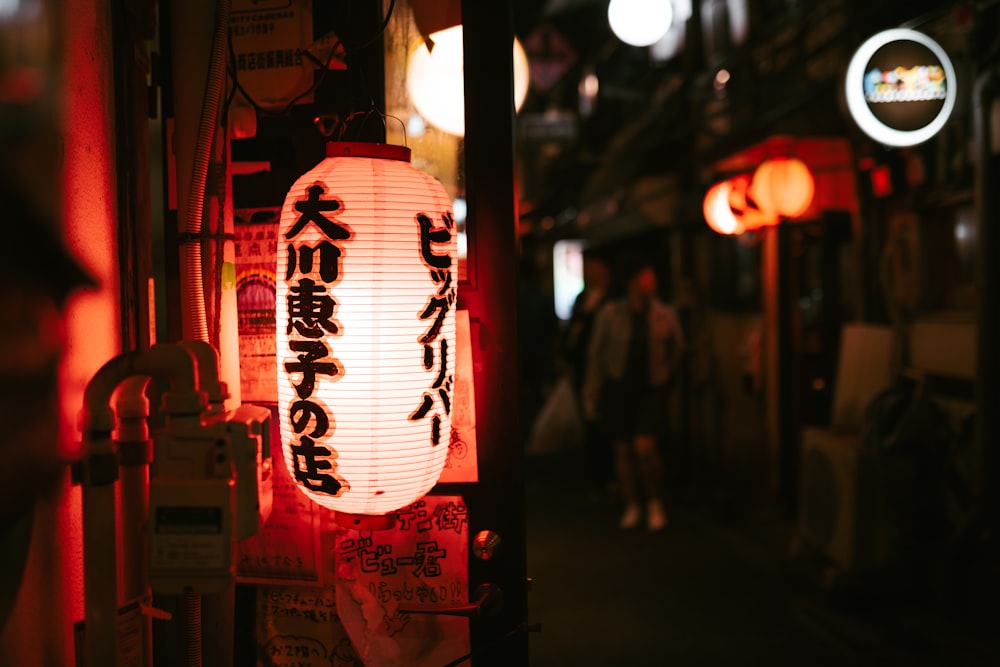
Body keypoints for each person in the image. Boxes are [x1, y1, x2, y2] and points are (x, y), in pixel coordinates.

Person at [584, 259, 684, 531]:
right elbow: (597, 352)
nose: (649, 282)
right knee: (623, 449)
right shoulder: (611, 312)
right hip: (619, 387)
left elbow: (677, 349)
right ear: (632, 281)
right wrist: (593, 388)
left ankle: (654, 502)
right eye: (645, 277)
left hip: (652, 388)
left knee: (645, 447)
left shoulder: (664, 314)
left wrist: (666, 377)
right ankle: (633, 504)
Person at [561, 249, 614, 489]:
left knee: (604, 419)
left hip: (604, 367)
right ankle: (596, 475)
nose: (590, 271)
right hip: (581, 366)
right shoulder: (583, 297)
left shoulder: (613, 299)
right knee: (588, 419)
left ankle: (608, 475)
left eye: (594, 265)